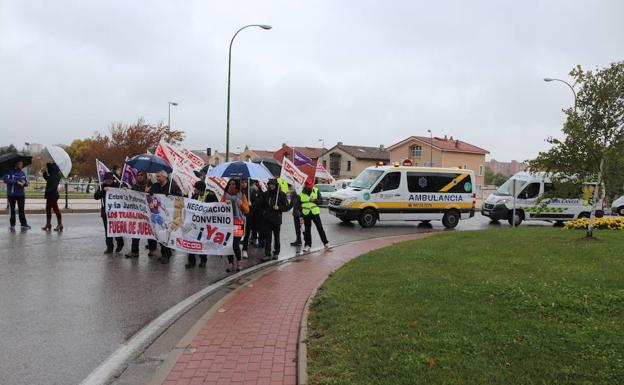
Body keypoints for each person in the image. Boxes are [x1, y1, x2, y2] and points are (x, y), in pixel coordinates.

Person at [148, 170, 182, 264]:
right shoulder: (155, 185)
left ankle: (167, 255)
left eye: (159, 177)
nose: (157, 178)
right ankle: (163, 254)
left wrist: (172, 196)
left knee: (166, 234)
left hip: (169, 216)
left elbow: (180, 197)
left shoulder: (173, 186)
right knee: (159, 235)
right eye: (157, 176)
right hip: (158, 215)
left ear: (164, 177)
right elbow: (150, 194)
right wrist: (150, 193)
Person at [222, 179, 249, 272]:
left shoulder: (241, 195)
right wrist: (224, 204)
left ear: (237, 185)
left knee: (235, 245)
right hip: (227, 223)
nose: (231, 186)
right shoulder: (225, 195)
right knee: (228, 244)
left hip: (238, 222)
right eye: (230, 184)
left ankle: (239, 262)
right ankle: (231, 264)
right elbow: (219, 207)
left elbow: (247, 210)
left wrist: (241, 204)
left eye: (233, 184)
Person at [258, 179, 289, 261]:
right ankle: (267, 254)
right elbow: (260, 204)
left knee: (276, 237)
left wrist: (279, 208)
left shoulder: (281, 195)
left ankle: (276, 253)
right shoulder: (266, 194)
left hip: (277, 219)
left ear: (276, 185)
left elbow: (286, 207)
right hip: (267, 219)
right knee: (268, 238)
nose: (271, 186)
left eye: (273, 184)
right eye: (270, 184)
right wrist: (264, 211)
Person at [94, 172, 124, 253]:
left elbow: (124, 193)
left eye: (110, 180)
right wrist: (103, 191)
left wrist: (124, 189)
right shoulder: (102, 186)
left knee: (116, 229)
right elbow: (96, 196)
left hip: (116, 212)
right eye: (107, 180)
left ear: (113, 179)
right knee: (108, 230)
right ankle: (109, 247)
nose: (108, 182)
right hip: (106, 212)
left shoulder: (117, 185)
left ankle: (120, 243)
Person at [125, 170, 149, 258]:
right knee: (136, 231)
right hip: (137, 213)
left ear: (145, 176)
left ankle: (153, 249)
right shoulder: (134, 186)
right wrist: (126, 191)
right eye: (138, 175)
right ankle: (134, 251)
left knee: (150, 232)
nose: (139, 176)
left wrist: (149, 192)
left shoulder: (149, 185)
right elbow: (130, 197)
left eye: (141, 175)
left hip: (148, 213)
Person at [300, 180, 330, 252]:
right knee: (307, 230)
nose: (310, 187)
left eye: (311, 186)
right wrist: (301, 214)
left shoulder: (316, 190)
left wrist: (314, 200)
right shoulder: (301, 192)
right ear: (305, 186)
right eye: (309, 186)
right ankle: (307, 245)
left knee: (320, 228)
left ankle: (326, 242)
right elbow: (299, 204)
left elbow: (321, 201)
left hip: (315, 213)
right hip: (306, 213)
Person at [186, 180, 211, 269]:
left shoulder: (210, 196)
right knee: (191, 241)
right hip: (194, 223)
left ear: (200, 188)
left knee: (202, 243)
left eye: (196, 188)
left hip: (204, 225)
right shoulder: (195, 195)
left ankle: (203, 260)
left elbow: (215, 208)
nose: (194, 189)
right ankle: (191, 261)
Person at [3, 160, 30, 231]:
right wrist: (16, 182)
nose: (21, 165)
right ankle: (12, 225)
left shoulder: (22, 173)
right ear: (16, 164)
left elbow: (27, 183)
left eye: (22, 164)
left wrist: (24, 183)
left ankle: (23, 224)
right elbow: (5, 180)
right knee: (12, 210)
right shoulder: (10, 172)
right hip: (12, 194)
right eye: (20, 164)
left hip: (21, 194)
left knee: (21, 210)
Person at [241, 179, 261, 258]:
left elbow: (258, 202)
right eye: (242, 182)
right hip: (239, 216)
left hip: (249, 215)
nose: (243, 184)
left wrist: (251, 203)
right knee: (238, 233)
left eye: (245, 182)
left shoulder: (252, 191)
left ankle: (244, 249)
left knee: (246, 233)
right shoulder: (239, 191)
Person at [41, 163, 62, 232]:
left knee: (56, 209)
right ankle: (48, 224)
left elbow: (54, 186)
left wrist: (47, 190)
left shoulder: (55, 177)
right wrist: (44, 172)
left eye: (48, 169)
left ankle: (60, 224)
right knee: (48, 209)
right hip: (49, 195)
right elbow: (47, 178)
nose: (48, 170)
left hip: (53, 195)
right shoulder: (52, 176)